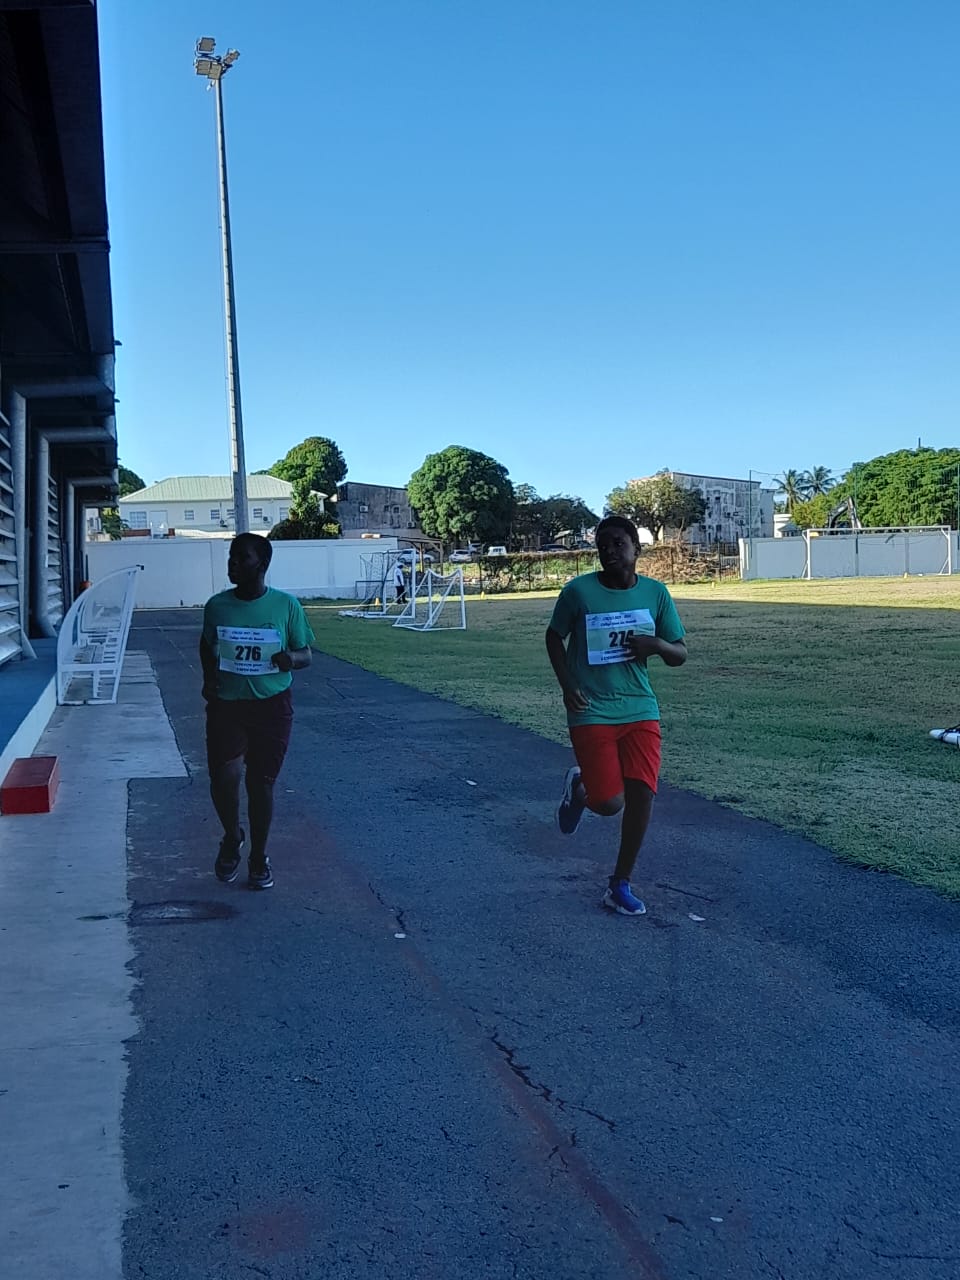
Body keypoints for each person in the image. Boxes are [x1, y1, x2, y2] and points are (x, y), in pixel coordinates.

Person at [545, 515, 687, 916]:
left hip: (640, 706)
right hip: (590, 708)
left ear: (636, 548)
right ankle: (581, 789)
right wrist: (567, 684)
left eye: (618, 544)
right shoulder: (578, 592)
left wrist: (657, 645)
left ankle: (619, 884)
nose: (609, 551)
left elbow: (679, 653)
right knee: (610, 803)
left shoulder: (656, 594)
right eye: (602, 546)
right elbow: (554, 636)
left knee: (642, 793)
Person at [200, 532, 314, 890]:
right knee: (225, 776)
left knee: (261, 783)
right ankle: (232, 836)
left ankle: (259, 856)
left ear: (262, 564)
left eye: (242, 558)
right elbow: (206, 645)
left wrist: (289, 658)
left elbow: (306, 654)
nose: (233, 563)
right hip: (227, 705)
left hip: (271, 706)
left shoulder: (286, 605)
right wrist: (209, 679)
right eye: (231, 557)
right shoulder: (216, 606)